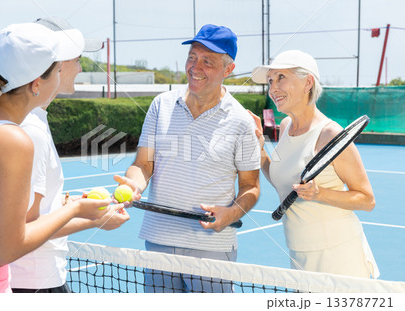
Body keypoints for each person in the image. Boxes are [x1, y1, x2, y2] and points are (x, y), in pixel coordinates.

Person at [0, 23, 119, 293]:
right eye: (57, 70)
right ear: (36, 84)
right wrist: (75, 210)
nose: (63, 74)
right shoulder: (14, 140)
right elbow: (7, 249)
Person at [115, 24, 261, 292]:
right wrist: (133, 185)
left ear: (228, 70)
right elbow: (143, 165)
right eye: (192, 57)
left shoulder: (241, 122)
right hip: (159, 240)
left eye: (208, 61)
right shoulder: (161, 105)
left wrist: (231, 214)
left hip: (212, 248)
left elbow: (251, 187)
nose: (196, 67)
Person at [10, 17, 130, 293]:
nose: (80, 67)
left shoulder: (31, 119)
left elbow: (21, 206)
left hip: (33, 279)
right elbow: (23, 229)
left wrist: (66, 202)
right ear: (57, 65)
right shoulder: (31, 129)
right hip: (34, 283)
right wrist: (94, 219)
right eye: (77, 59)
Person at [249, 49, 379, 278]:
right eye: (270, 81)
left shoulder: (330, 133)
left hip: (338, 256)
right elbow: (281, 179)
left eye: (281, 77)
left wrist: (319, 193)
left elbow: (367, 200)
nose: (273, 88)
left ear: (308, 82)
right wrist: (260, 149)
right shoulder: (287, 125)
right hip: (299, 253)